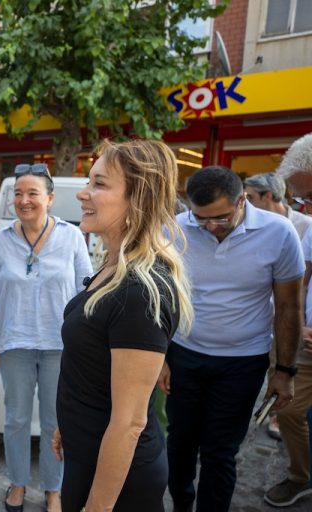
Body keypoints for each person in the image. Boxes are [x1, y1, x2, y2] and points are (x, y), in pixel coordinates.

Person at [52, 139, 192, 512]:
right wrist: (68, 423)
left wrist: (97, 507)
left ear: (138, 199)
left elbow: (130, 422)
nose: (83, 193)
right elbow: (93, 366)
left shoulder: (139, 292)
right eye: (89, 181)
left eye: (99, 184)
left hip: (118, 479)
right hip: (88, 453)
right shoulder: (115, 266)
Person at [160, 165, 303, 512]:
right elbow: (162, 297)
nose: (210, 226)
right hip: (184, 355)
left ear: (242, 201)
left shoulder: (279, 233)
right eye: (201, 218)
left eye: (220, 218)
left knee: (220, 452)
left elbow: (288, 307)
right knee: (179, 444)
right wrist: (160, 356)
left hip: (243, 361)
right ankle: (181, 505)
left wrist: (284, 371)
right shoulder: (175, 229)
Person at [0, 163, 91, 512]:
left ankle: (54, 489)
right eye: (18, 194)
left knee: (58, 421)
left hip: (61, 347)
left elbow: (88, 290)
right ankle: (17, 482)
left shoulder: (71, 237)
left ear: (50, 198)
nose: (24, 201)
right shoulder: (3, 239)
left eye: (33, 194)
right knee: (16, 420)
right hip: (16, 345)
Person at [244, 171, 312, 443]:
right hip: (267, 315)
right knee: (277, 369)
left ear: (267, 196)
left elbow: (301, 282)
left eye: (249, 198)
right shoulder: (251, 224)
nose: (245, 204)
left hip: (290, 316)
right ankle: (274, 411)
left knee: (286, 371)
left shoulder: (303, 225)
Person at [264, 133, 312, 508]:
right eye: (300, 199)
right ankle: (300, 476)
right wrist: (298, 327)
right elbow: (302, 279)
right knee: (290, 409)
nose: (304, 208)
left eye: (309, 197)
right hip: (307, 343)